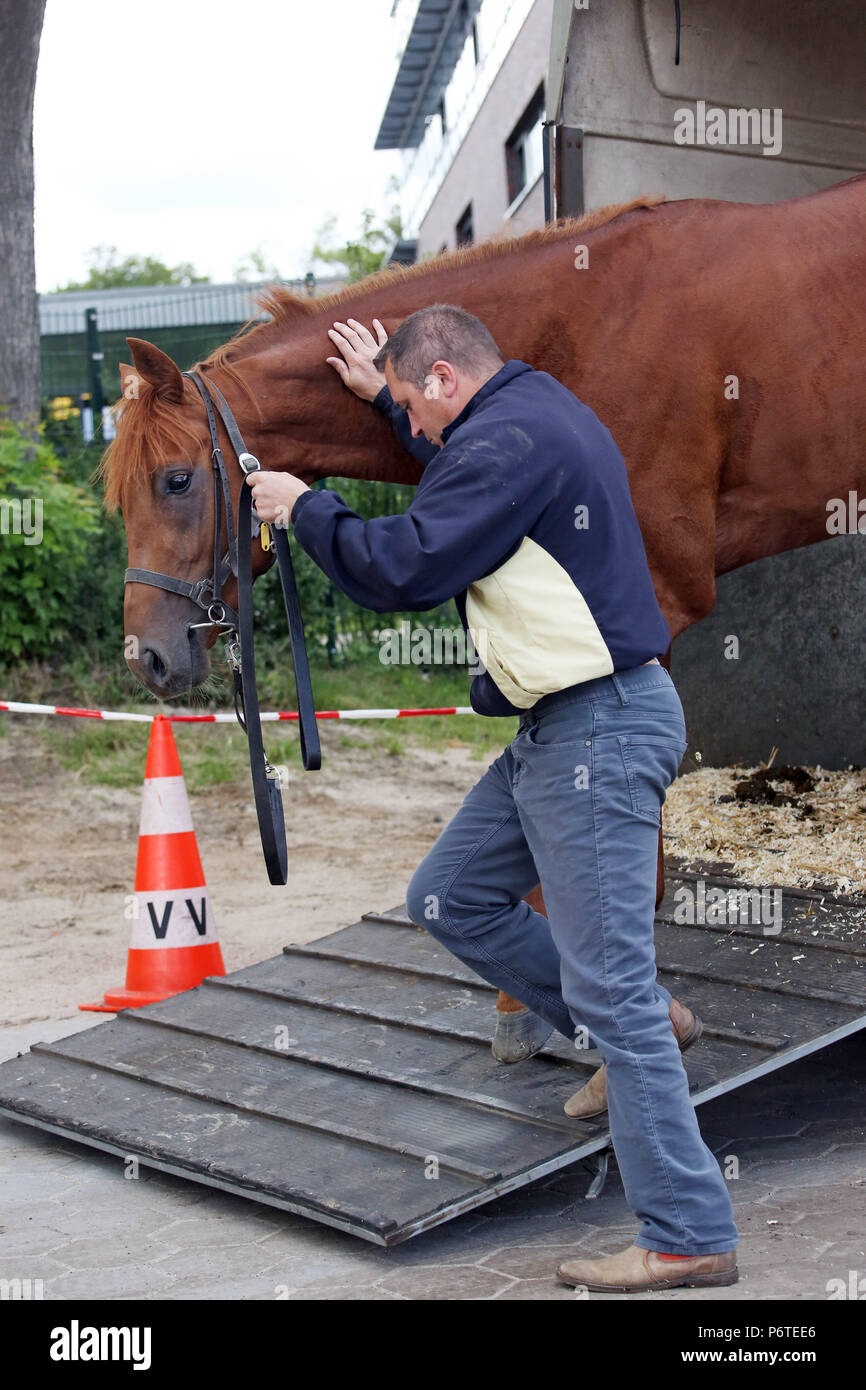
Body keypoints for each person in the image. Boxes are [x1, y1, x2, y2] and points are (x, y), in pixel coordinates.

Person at [246, 304, 739, 1292]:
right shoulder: (526, 411)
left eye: (419, 414)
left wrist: (300, 506)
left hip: (593, 727)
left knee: (613, 997)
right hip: (561, 727)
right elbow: (459, 472)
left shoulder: (505, 439)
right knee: (449, 894)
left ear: (444, 380)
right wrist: (386, 399)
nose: (420, 441)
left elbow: (405, 565)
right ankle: (651, 1020)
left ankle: (686, 1231)